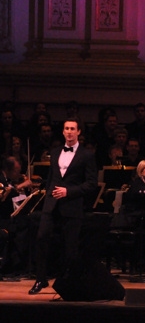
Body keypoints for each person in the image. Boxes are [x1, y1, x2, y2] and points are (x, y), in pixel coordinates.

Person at [29, 118, 98, 295]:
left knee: (70, 246)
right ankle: (40, 279)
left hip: (72, 205)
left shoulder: (87, 155)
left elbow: (91, 184)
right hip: (51, 205)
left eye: (72, 129)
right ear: (63, 131)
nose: (69, 131)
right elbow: (53, 178)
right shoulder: (55, 151)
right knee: (41, 238)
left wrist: (69, 191)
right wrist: (47, 190)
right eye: (66, 128)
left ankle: (67, 283)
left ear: (79, 132)